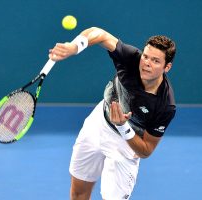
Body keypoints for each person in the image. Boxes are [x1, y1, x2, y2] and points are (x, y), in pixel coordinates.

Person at [48, 27, 176, 200]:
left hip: (126, 144)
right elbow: (99, 34)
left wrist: (123, 127)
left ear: (167, 67)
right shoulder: (131, 58)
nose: (146, 63)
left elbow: (146, 150)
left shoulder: (165, 106)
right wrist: (75, 46)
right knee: (78, 193)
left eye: (155, 61)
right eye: (145, 56)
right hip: (99, 123)